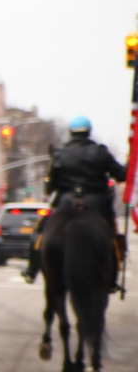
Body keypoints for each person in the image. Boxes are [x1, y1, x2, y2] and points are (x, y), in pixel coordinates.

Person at [23, 115, 127, 284]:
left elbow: (50, 187)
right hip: (97, 203)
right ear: (88, 132)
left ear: (71, 132)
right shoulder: (100, 152)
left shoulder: (60, 154)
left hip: (66, 203)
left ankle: (32, 268)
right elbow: (121, 175)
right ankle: (113, 275)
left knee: (41, 230)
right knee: (112, 235)